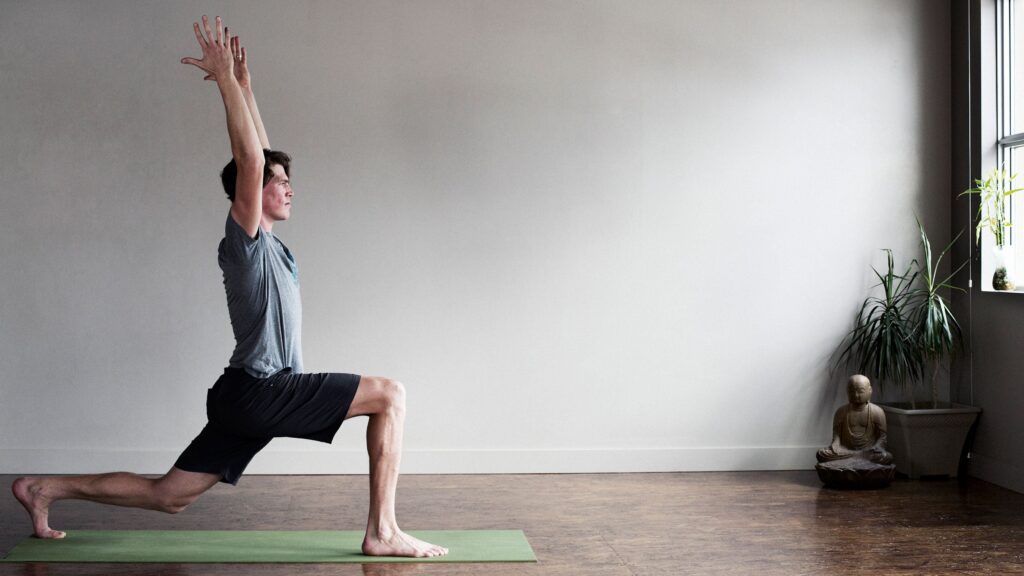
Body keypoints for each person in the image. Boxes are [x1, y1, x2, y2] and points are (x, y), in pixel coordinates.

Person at [11, 16, 448, 558]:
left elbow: (262, 154)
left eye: (288, 182)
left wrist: (245, 87)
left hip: (243, 392)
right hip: (263, 390)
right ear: (250, 193)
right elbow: (251, 159)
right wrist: (223, 82)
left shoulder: (271, 247)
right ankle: (382, 531)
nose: (289, 189)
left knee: (169, 496)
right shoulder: (243, 243)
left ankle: (43, 488)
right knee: (390, 394)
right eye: (278, 183)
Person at [816, 374, 894, 465]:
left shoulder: (877, 411)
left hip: (868, 451)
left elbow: (882, 437)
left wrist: (876, 447)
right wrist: (835, 445)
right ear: (847, 392)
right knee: (822, 453)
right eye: (852, 391)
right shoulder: (841, 412)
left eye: (860, 391)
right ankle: (857, 460)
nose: (856, 395)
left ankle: (851, 462)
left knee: (886, 456)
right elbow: (836, 435)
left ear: (870, 391)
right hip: (846, 450)